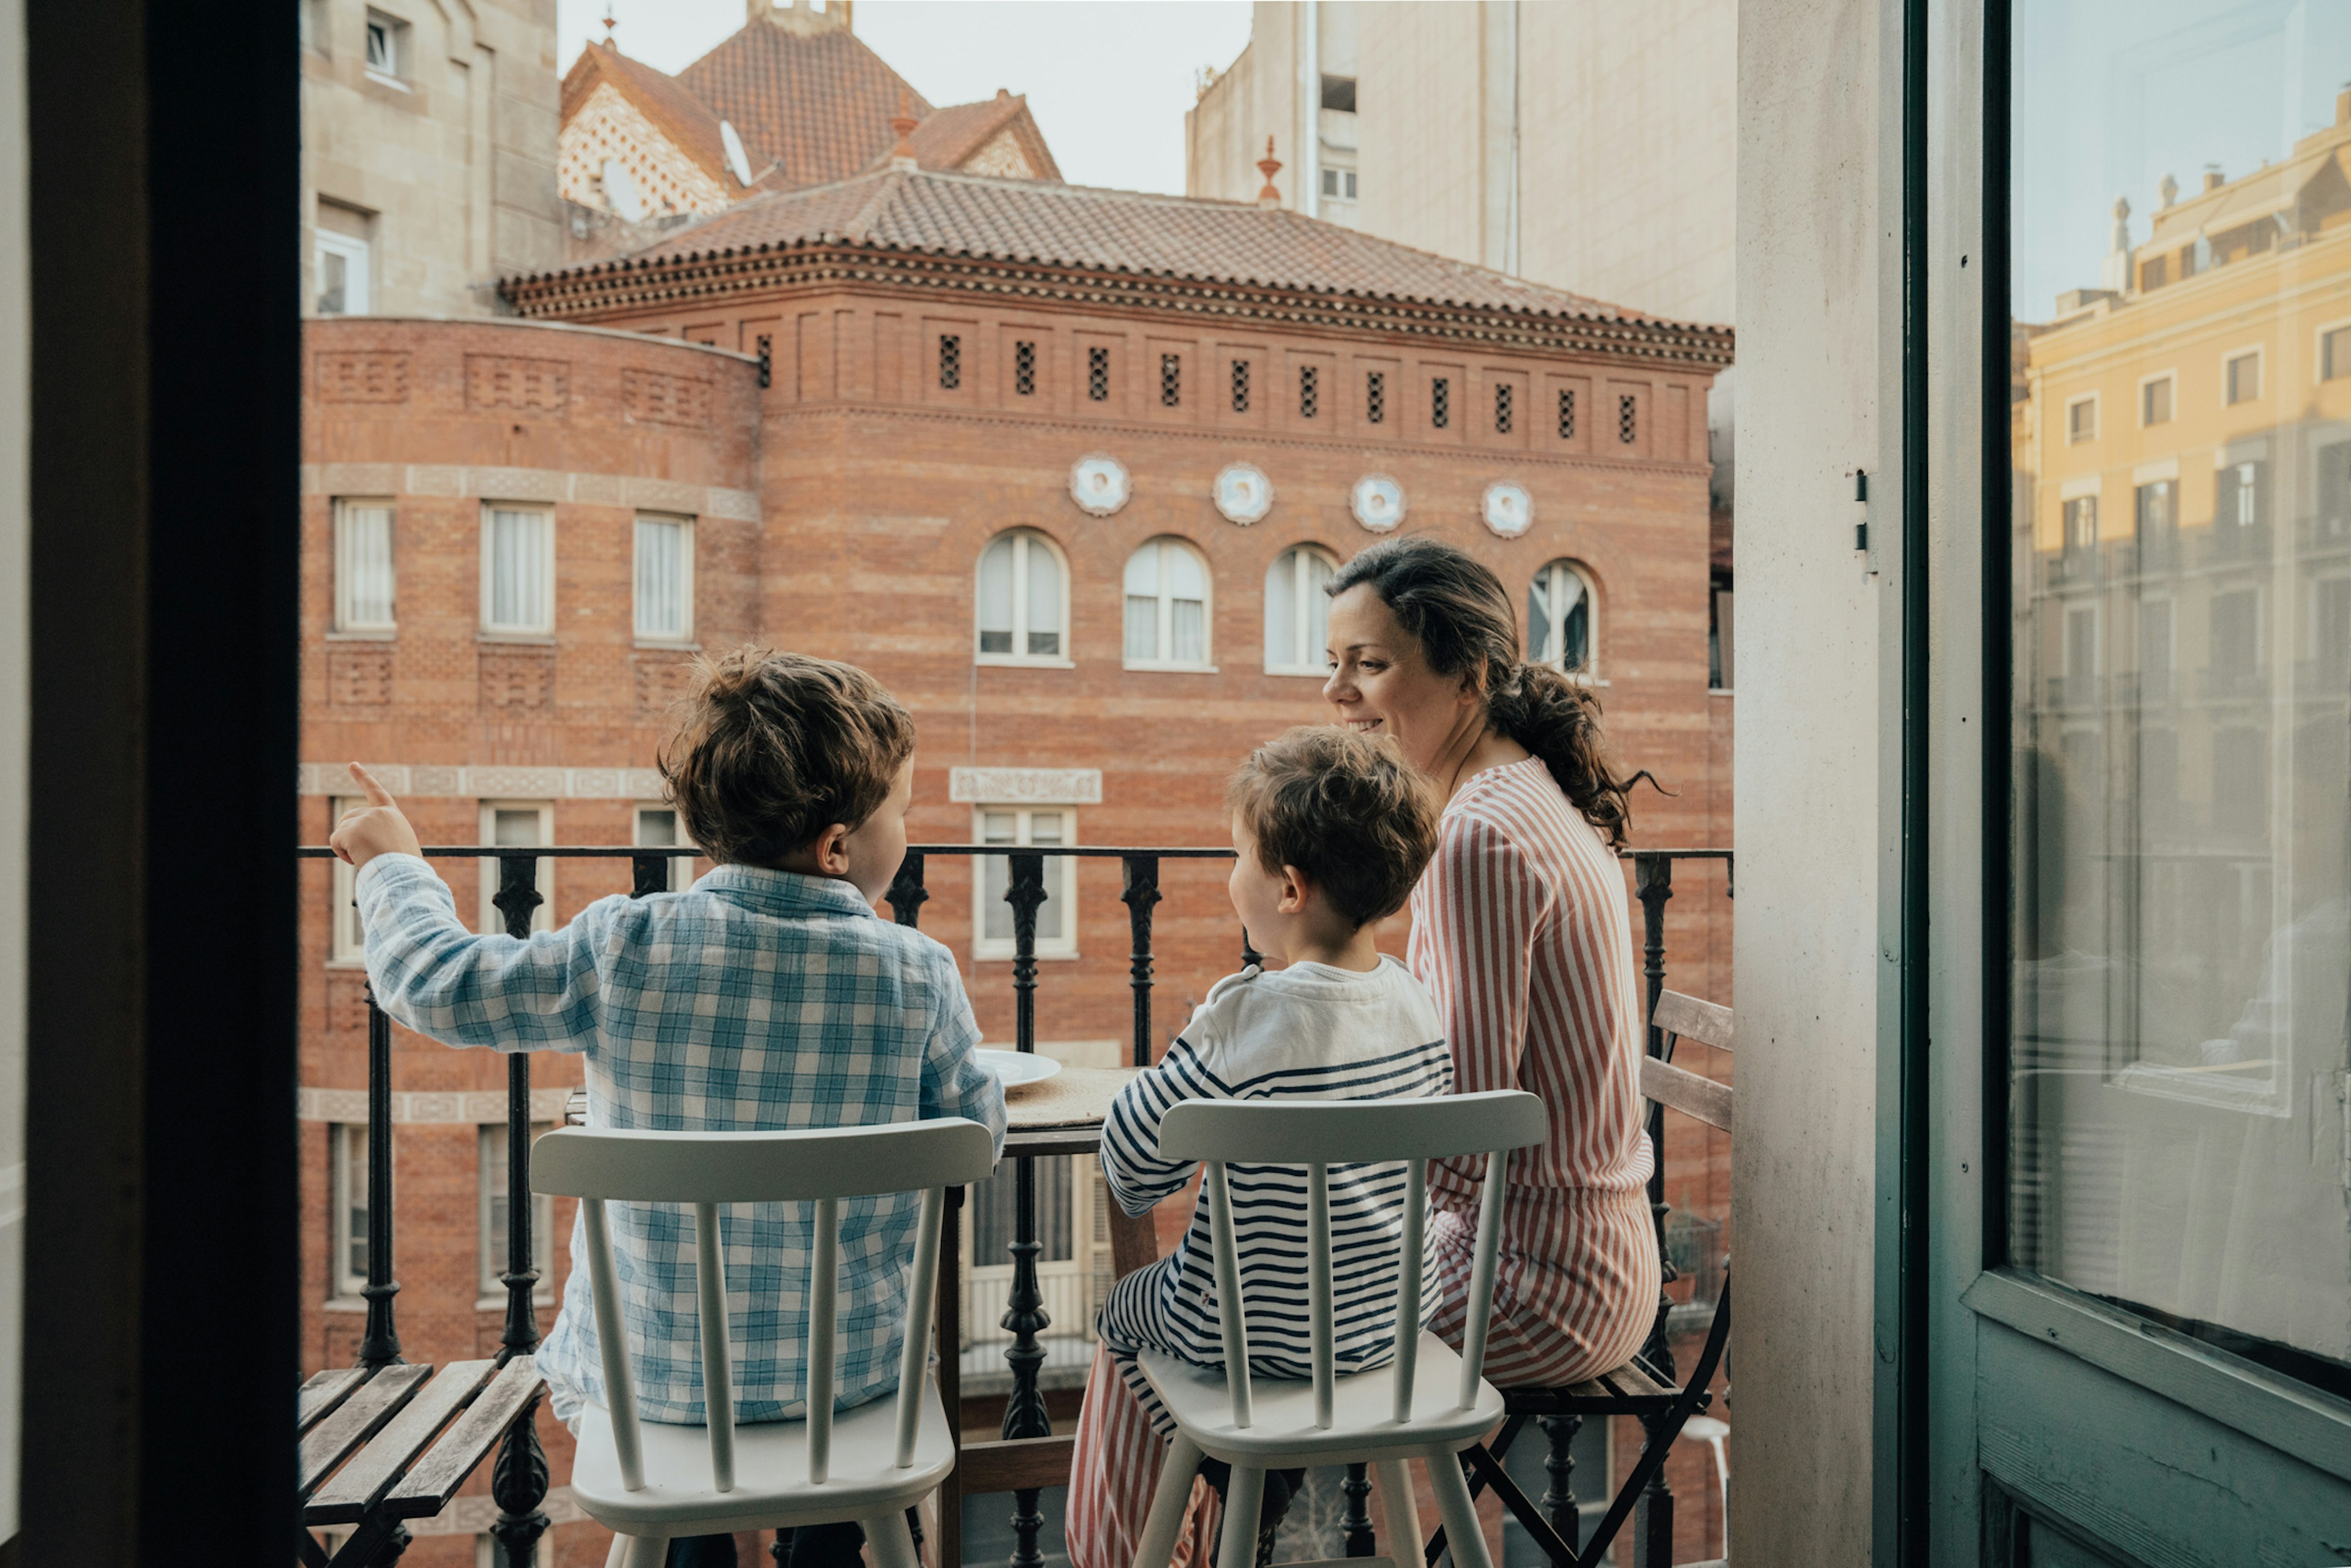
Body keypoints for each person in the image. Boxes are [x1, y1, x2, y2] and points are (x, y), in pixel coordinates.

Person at [330, 648, 1006, 1568]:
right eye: (904, 808)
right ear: (839, 845)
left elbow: (433, 981)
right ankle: (827, 1545)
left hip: (659, 1390)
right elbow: (975, 1142)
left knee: (679, 1516)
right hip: (848, 1389)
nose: (909, 828)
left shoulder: (625, 946)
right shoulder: (918, 973)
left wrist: (394, 867)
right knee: (846, 1502)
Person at [1063, 727, 1450, 1568]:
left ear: (1287, 886)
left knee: (1122, 1313)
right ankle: (1247, 1475)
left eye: (1238, 855)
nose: (1230, 872)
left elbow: (1131, 1168)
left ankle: (1174, 1510)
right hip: (1390, 1325)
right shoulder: (1420, 1007)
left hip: (1251, 1340)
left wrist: (1194, 1036)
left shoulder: (1246, 1018)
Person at [1321, 536, 1660, 1398]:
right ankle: (1213, 1529)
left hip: (1534, 1285)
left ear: (1468, 676)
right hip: (1572, 1257)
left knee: (1184, 1327)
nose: (1336, 691)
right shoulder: (1521, 793)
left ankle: (1174, 1538)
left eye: (1368, 664)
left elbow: (1462, 1135)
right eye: (1333, 663)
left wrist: (1299, 1137)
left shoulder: (1478, 834)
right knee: (1220, 1314)